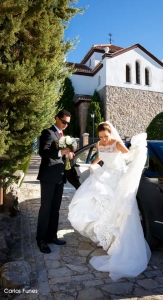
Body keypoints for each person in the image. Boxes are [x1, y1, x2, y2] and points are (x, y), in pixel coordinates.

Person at [68, 121, 151, 280]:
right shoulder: (100, 144)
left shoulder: (118, 143)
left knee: (116, 210)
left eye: (106, 136)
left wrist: (138, 151)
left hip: (117, 178)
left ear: (111, 134)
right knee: (96, 205)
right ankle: (105, 238)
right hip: (103, 175)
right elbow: (100, 155)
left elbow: (128, 158)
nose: (103, 139)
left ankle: (117, 242)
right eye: (100, 137)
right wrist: (92, 165)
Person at [36, 109, 74, 253]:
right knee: (45, 209)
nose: (65, 125)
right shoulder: (48, 132)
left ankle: (52, 236)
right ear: (57, 118)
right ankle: (41, 240)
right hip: (48, 176)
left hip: (59, 176)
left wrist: (68, 154)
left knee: (55, 209)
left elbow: (62, 155)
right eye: (64, 122)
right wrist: (60, 152)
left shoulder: (63, 135)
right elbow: (43, 152)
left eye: (68, 123)